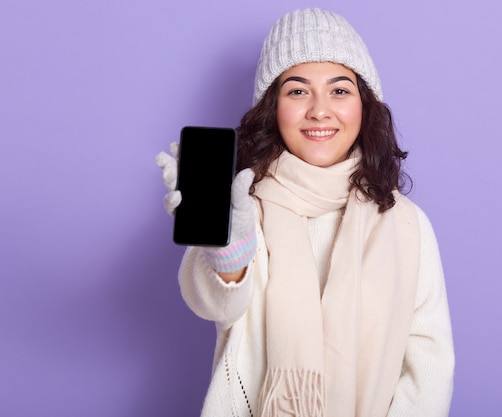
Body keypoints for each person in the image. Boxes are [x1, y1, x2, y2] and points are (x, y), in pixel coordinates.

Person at [157, 8, 454, 417]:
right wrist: (228, 251)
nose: (319, 110)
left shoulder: (406, 223)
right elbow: (215, 306)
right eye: (297, 91)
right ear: (272, 108)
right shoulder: (244, 205)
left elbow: (430, 365)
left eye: (339, 90)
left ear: (364, 105)